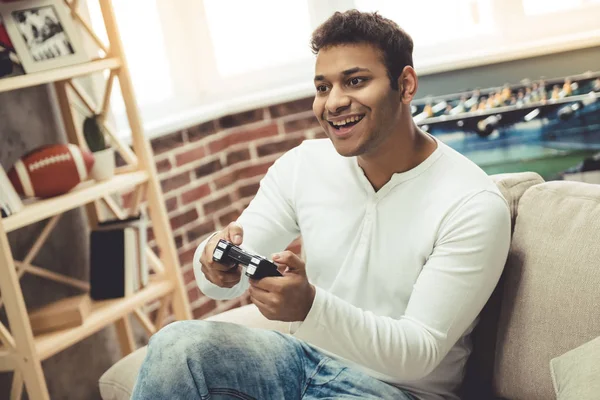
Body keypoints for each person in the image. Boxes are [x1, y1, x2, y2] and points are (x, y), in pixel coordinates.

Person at [131, 10, 511, 400]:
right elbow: (227, 273)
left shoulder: (472, 203)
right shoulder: (304, 165)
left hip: (399, 392)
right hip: (303, 362)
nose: (334, 103)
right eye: (323, 87)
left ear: (406, 84)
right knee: (179, 347)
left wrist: (311, 306)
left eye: (356, 81)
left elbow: (418, 352)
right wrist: (213, 262)